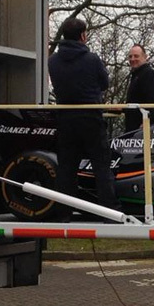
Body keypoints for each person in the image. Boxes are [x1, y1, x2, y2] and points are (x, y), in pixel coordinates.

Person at [48, 17, 121, 221]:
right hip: (90, 117)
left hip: (65, 119)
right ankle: (109, 211)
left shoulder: (52, 61)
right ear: (82, 36)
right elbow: (104, 83)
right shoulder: (92, 59)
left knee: (67, 169)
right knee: (101, 166)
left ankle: (64, 213)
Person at [124, 44, 154, 132]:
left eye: (136, 56)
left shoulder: (149, 74)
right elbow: (135, 102)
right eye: (130, 56)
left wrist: (147, 122)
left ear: (145, 57)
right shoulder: (136, 75)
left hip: (142, 128)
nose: (132, 59)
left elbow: (153, 102)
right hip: (133, 127)